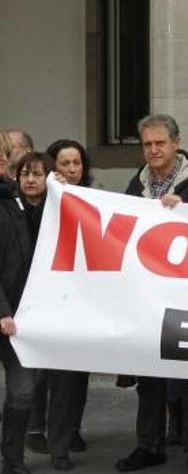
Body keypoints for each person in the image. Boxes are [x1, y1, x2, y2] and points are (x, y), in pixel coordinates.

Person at [117, 114, 188, 474]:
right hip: (149, 297)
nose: (154, 150)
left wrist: (187, 212)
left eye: (160, 142)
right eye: (147, 144)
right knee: (149, 376)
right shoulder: (136, 186)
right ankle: (149, 445)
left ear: (177, 142)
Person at [25, 142, 93, 466]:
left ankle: (63, 441)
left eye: (76, 163)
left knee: (71, 378)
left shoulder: (96, 200)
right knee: (41, 374)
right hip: (43, 301)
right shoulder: (40, 202)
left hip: (80, 304)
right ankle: (38, 431)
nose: (71, 169)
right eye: (64, 163)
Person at [0, 150, 39, 474]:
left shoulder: (15, 199)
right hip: (6, 314)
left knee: (22, 391)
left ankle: (13, 459)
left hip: (19, 318)